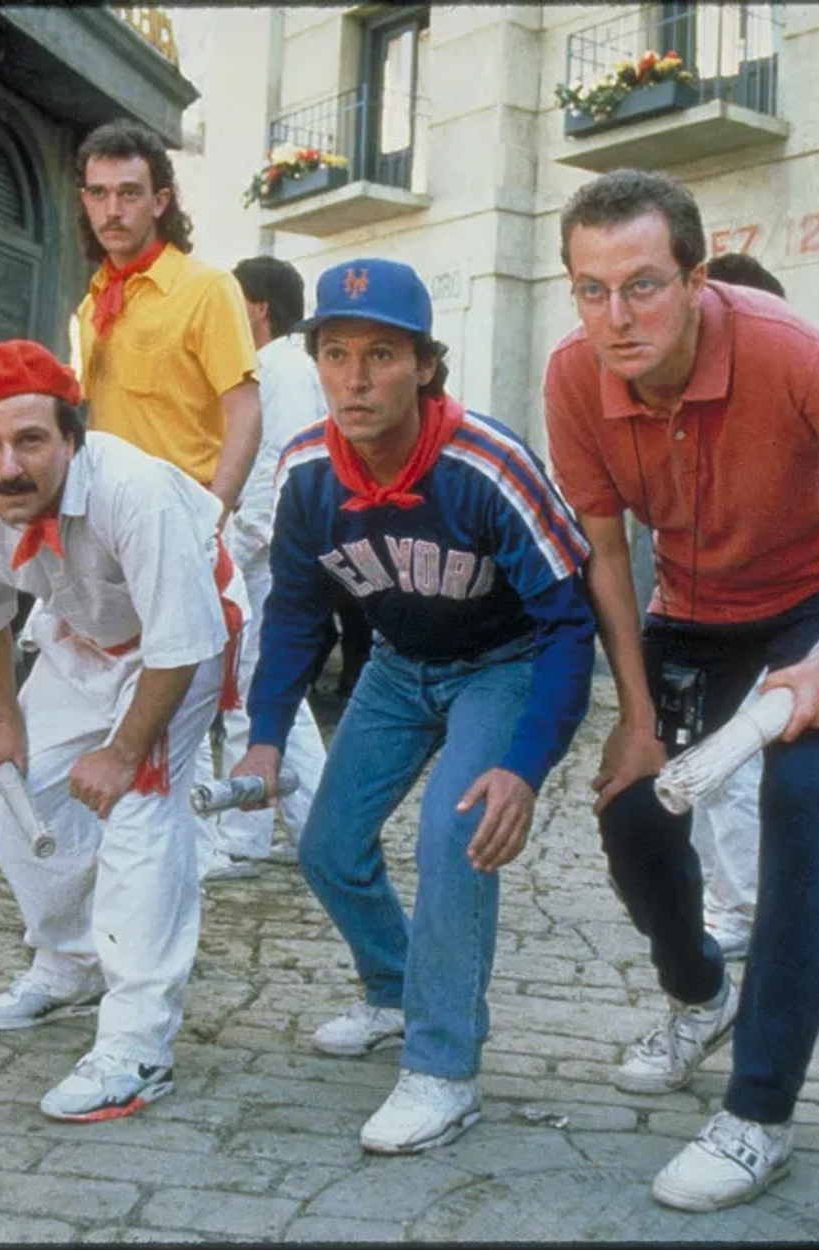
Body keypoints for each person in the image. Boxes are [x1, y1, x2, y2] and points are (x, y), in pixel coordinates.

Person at [543, 169, 819, 1211]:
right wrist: (638, 719)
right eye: (591, 290)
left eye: (643, 285)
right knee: (633, 811)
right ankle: (700, 994)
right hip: (695, 600)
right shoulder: (572, 378)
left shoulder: (788, 350)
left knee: (794, 801)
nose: (617, 317)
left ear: (696, 278)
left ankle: (759, 1110)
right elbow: (607, 554)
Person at [231, 259, 598, 1156]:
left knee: (452, 839)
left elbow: (567, 620)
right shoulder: (309, 470)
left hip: (503, 663)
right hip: (401, 666)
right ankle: (397, 988)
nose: (355, 378)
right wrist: (265, 737)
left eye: (382, 354)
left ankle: (443, 1068)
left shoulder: (486, 463)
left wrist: (526, 766)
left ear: (425, 366)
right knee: (327, 843)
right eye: (336, 353)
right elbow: (294, 610)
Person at [0, 340, 245, 1122]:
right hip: (79, 633)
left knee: (138, 815)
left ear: (72, 438)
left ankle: (138, 1047)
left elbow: (181, 640)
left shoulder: (133, 490)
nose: (9, 467)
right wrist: (5, 722)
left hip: (187, 640)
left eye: (32, 440)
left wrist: (124, 750)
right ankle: (68, 962)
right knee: (18, 791)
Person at [68, 120, 263, 881]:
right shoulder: (92, 303)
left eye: (129, 193)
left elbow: (243, 409)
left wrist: (216, 509)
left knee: (195, 698)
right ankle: (192, 844)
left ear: (160, 200)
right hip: (109, 532)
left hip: (182, 521)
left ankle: (194, 856)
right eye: (98, 194)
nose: (112, 209)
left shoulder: (205, 287)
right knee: (143, 693)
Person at [192, 256, 332, 871]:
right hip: (261, 550)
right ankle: (314, 832)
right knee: (270, 694)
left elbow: (280, 465)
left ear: (256, 308)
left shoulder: (281, 369)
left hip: (266, 555)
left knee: (254, 693)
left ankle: (247, 839)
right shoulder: (272, 368)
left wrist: (234, 545)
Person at [673, 251, 788, 959]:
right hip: (684, 617)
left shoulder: (786, 399)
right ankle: (712, 896)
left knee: (735, 768)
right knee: (687, 763)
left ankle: (741, 909)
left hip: (760, 619)